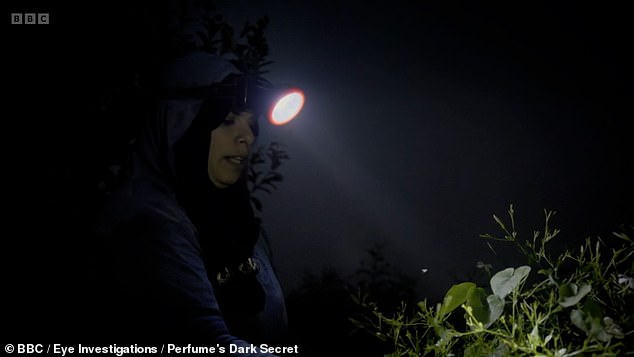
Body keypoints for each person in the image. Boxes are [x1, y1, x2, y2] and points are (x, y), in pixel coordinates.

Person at [89, 51, 288, 354]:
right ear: (179, 127)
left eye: (251, 123)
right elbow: (204, 343)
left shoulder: (246, 230)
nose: (246, 136)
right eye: (228, 120)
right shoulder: (144, 223)